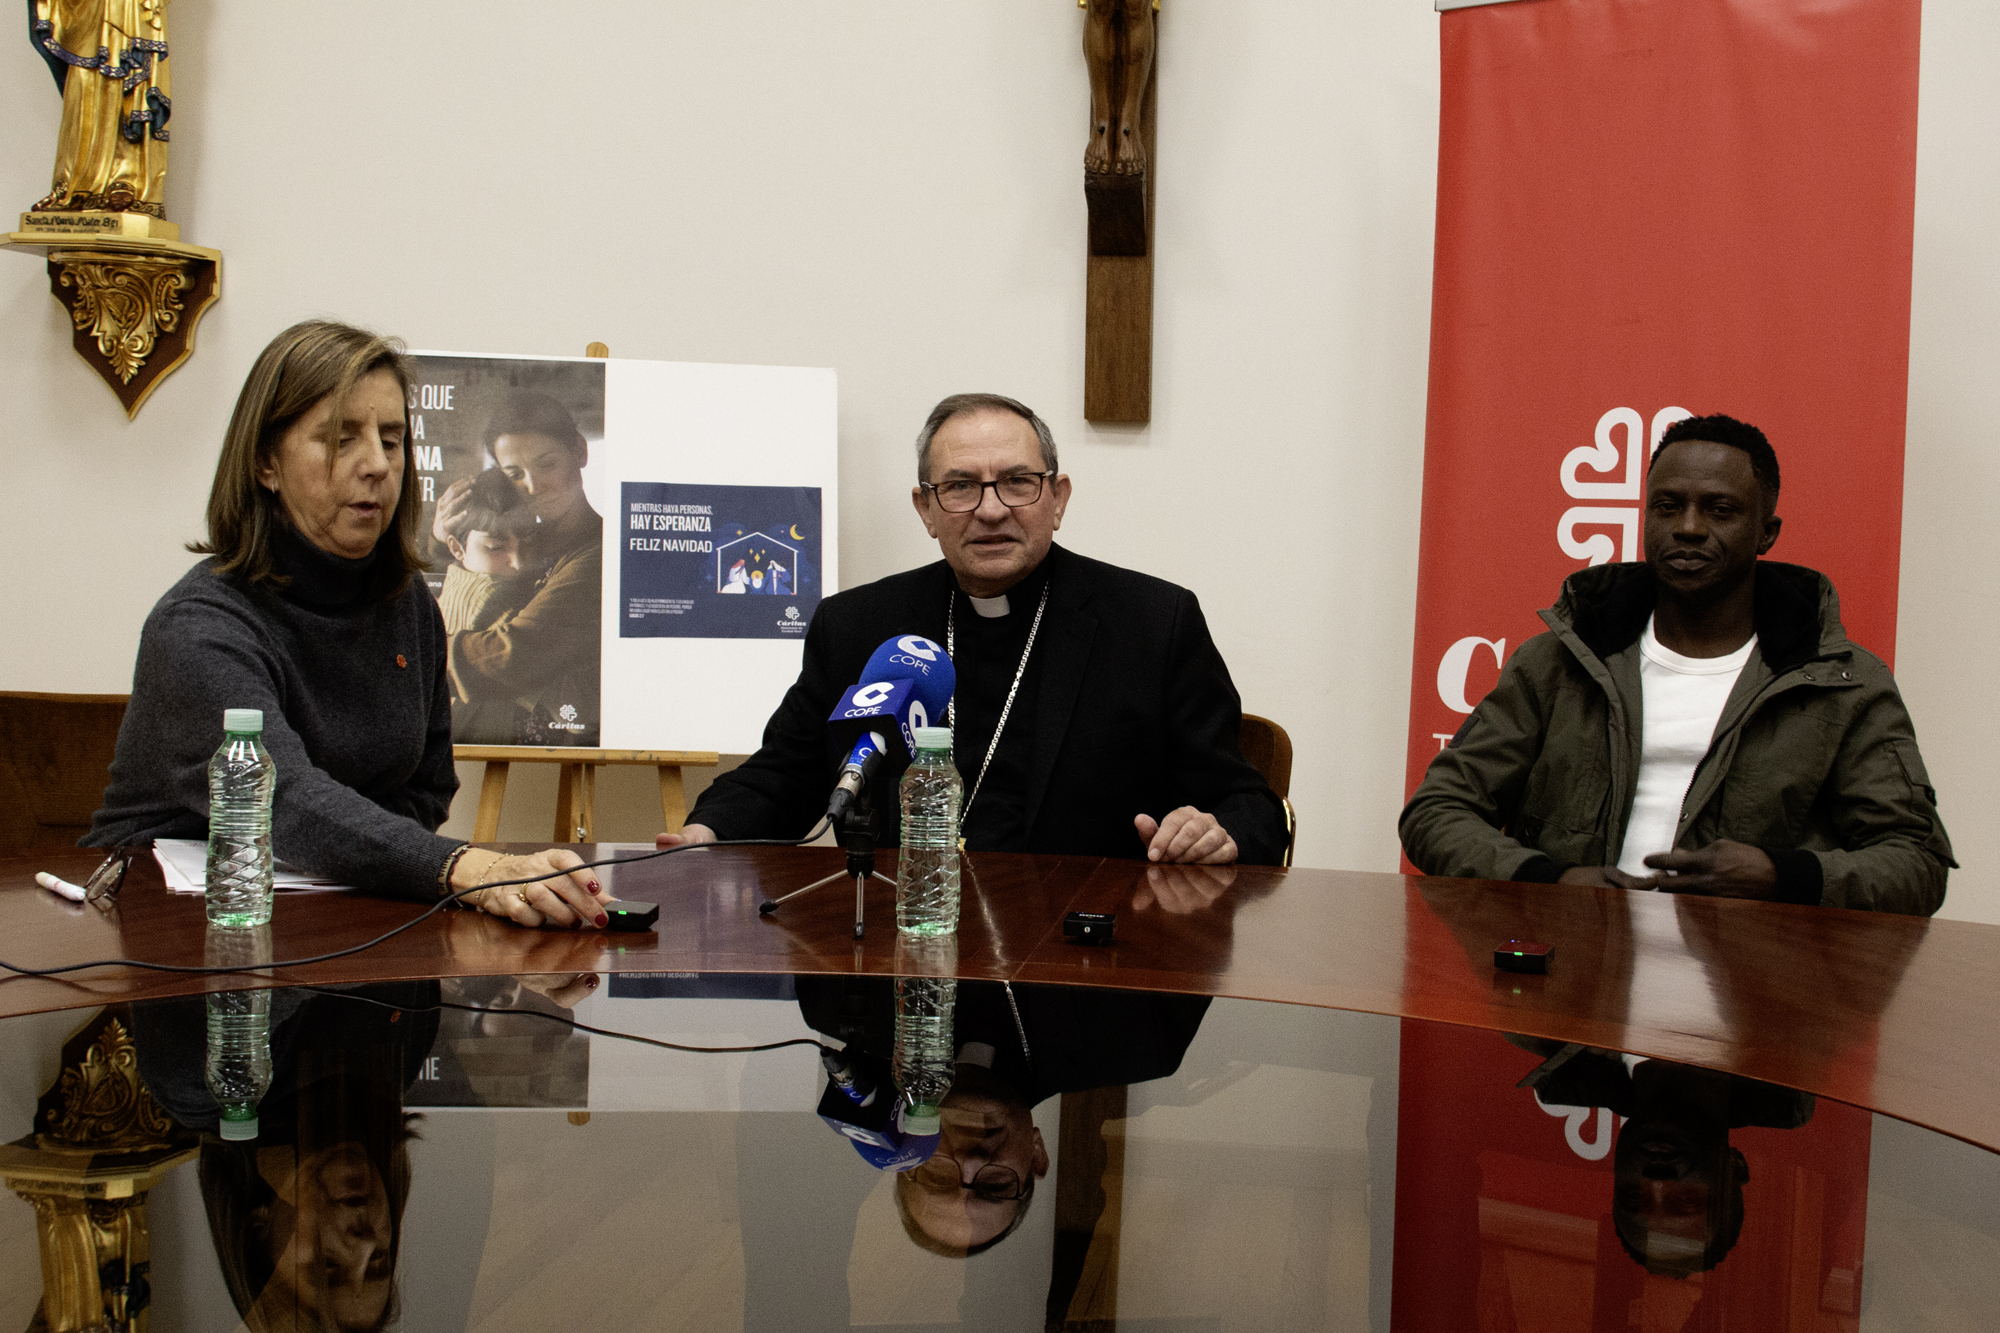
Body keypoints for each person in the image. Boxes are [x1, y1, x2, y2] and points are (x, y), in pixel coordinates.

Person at [86, 320, 610, 929]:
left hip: (340, 913)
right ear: (266, 463)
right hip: (171, 924)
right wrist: (468, 868)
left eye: (392, 440)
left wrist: (368, 856)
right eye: (341, 439)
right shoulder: (198, 625)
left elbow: (427, 786)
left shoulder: (408, 602)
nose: (378, 466)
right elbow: (278, 796)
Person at [664, 392, 1286, 864]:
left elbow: (1248, 805)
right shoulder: (857, 625)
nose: (991, 510)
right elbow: (785, 775)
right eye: (960, 486)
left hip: (1086, 956)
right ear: (926, 510)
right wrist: (707, 830)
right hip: (904, 941)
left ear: (1058, 498)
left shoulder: (1152, 623)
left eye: (1017, 482)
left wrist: (1217, 833)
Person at [1400, 414, 1953, 914]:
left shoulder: (1843, 682)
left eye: (1720, 510)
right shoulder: (1558, 661)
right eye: (1667, 506)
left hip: (1757, 989)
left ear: (1767, 533)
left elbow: (1917, 863)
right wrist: (1552, 881)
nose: (1688, 527)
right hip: (1573, 975)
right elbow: (1437, 811)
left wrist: (1781, 876)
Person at [430, 391, 602, 746]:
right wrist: (443, 539)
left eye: (547, 463)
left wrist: (412, 652)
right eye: (515, 474)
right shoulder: (531, 540)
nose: (533, 485)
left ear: (580, 451)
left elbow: (513, 654)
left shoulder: (597, 554)